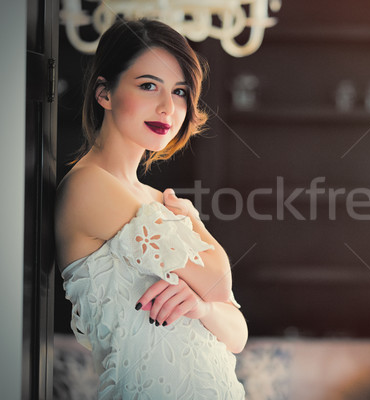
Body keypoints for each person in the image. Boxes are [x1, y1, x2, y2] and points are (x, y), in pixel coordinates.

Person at [54, 18, 247, 399]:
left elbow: (237, 333)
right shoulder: (89, 186)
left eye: (179, 91)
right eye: (148, 86)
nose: (167, 108)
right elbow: (218, 283)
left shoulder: (155, 200)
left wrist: (203, 310)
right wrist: (195, 224)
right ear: (104, 93)